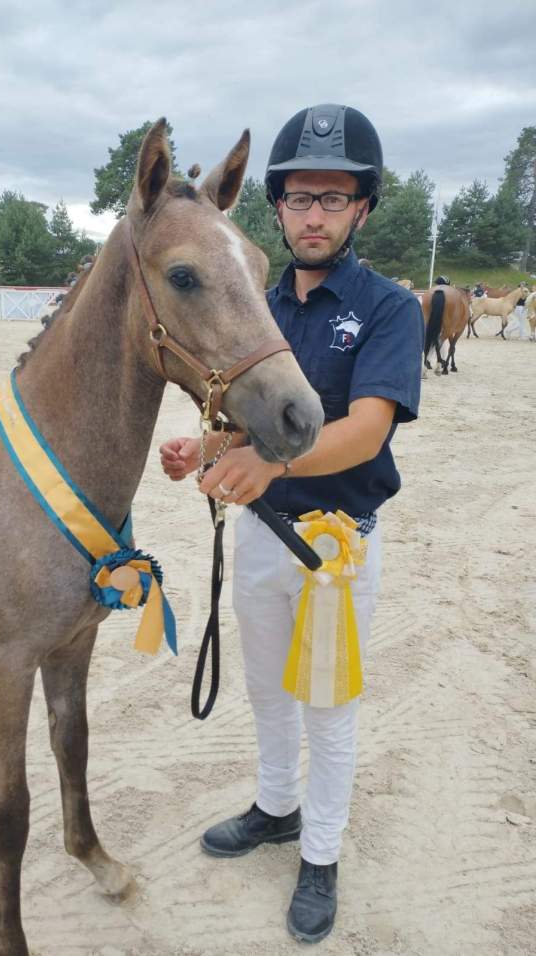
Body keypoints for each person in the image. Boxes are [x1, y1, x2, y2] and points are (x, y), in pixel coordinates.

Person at [160, 103, 423, 944]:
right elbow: (249, 416)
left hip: (335, 551)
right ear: (278, 207)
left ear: (361, 209)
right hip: (260, 533)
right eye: (301, 198)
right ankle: (277, 807)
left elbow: (366, 429)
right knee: (268, 689)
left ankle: (321, 852)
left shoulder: (387, 308)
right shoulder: (260, 300)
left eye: (333, 199)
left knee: (328, 708)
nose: (315, 215)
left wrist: (270, 465)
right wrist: (207, 446)